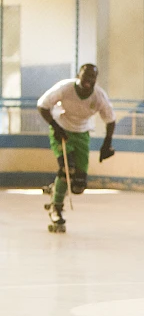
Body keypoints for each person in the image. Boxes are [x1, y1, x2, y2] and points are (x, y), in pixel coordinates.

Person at [37, 64, 116, 230]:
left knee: (78, 186)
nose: (87, 81)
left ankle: (55, 189)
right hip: (61, 130)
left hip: (82, 134)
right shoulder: (65, 88)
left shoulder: (98, 96)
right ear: (78, 76)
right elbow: (42, 105)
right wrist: (55, 126)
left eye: (91, 78)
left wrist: (106, 145)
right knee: (67, 170)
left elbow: (110, 119)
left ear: (95, 79)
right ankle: (56, 208)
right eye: (84, 77)